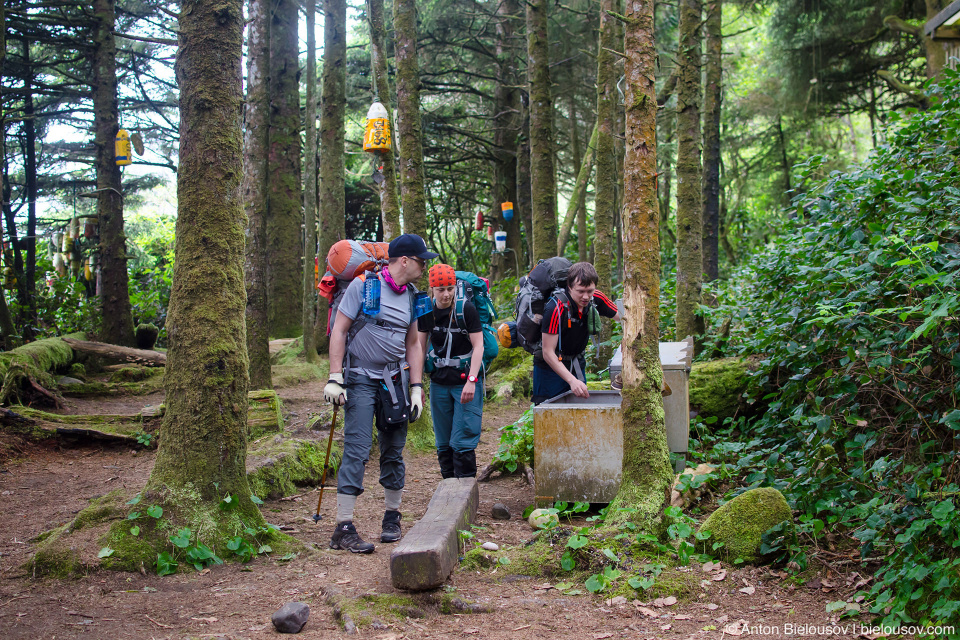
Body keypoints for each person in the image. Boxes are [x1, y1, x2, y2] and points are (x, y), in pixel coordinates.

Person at [323, 233, 437, 553]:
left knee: (393, 449)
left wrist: (416, 388)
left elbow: (413, 344)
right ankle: (343, 527)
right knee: (358, 449)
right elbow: (340, 330)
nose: (424, 266)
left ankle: (392, 517)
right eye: (421, 260)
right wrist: (335, 377)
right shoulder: (364, 285)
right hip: (359, 377)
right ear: (404, 261)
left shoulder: (413, 296)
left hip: (394, 381)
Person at [418, 264, 485, 479]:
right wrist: (416, 385)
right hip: (439, 383)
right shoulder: (426, 310)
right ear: (432, 289)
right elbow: (419, 348)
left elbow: (479, 346)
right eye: (441, 290)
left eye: (450, 288)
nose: (446, 294)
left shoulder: (466, 309)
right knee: (443, 441)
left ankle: (465, 492)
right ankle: (448, 489)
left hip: (464, 380)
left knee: (463, 438)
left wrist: (472, 381)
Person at [533, 262, 621, 405]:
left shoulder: (596, 298)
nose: (586, 296)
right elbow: (547, 352)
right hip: (550, 369)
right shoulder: (556, 307)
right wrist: (572, 380)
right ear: (570, 287)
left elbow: (623, 316)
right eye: (580, 291)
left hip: (577, 363)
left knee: (579, 410)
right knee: (549, 413)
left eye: (590, 291)